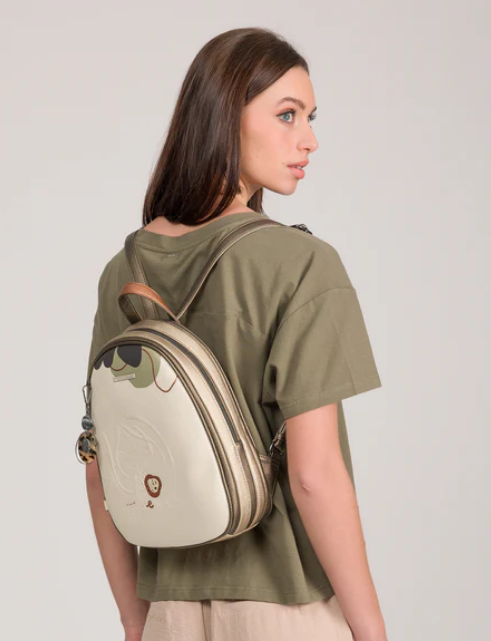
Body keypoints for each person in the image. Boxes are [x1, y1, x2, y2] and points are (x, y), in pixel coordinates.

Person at [84, 27, 388, 641]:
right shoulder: (300, 264)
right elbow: (314, 475)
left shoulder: (125, 271)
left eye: (309, 118)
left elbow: (100, 468)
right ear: (225, 117)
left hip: (169, 610)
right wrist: (372, 631)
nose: (309, 139)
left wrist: (136, 622)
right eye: (287, 114)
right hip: (285, 609)